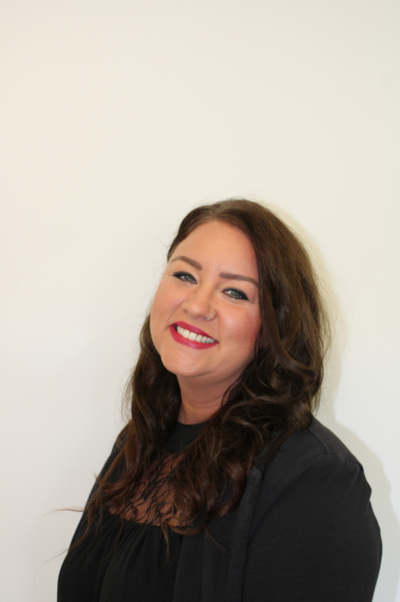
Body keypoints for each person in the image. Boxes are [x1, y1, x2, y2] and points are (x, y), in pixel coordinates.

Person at [58, 199, 382, 601]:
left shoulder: (315, 481)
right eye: (184, 275)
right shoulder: (141, 441)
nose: (196, 305)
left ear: (274, 328)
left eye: (234, 292)